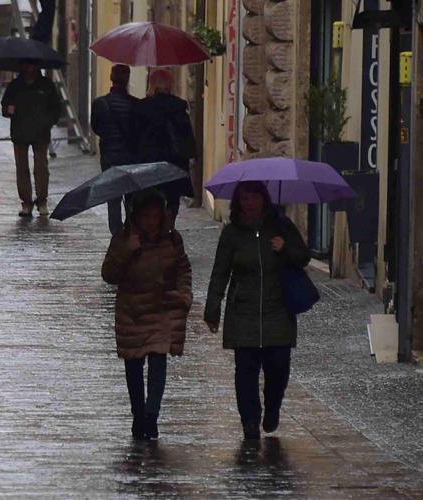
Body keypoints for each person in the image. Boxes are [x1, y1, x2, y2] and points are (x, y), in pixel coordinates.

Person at [203, 181, 310, 440]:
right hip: (243, 311)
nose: (250, 203)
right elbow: (220, 272)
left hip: (278, 310)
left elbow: (303, 257)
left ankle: (272, 408)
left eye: (254, 198)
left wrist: (285, 248)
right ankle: (250, 421)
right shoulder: (231, 234)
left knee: (278, 369)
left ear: (264, 199)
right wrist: (212, 307)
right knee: (245, 371)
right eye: (244, 199)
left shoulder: (282, 226)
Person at [102, 189, 192, 440]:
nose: (151, 221)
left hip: (163, 308)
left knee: (158, 361)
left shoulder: (173, 240)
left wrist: (184, 296)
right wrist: (127, 251)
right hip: (132, 312)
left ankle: (151, 415)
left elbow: (183, 270)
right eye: (146, 216)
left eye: (155, 216)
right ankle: (138, 414)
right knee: (133, 367)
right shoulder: (123, 239)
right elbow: (109, 275)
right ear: (136, 216)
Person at [133, 69, 196, 224]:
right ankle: (168, 228)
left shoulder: (141, 107)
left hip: (148, 163)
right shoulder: (178, 106)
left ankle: (152, 229)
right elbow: (187, 136)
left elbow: (133, 137)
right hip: (173, 162)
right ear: (170, 84)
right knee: (172, 199)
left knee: (149, 200)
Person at [1, 60, 62, 217]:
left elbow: (56, 108)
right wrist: (9, 110)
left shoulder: (46, 85)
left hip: (41, 133)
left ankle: (42, 200)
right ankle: (26, 202)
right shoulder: (15, 86)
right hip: (20, 132)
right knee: (22, 168)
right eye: (25, 66)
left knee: (41, 168)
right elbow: (5, 106)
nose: (28, 69)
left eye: (31, 66)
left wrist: (47, 122)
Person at [91, 64, 138, 235]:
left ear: (111, 77)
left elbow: (96, 128)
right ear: (127, 79)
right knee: (132, 199)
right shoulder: (135, 105)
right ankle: (131, 232)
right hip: (131, 157)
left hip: (109, 156)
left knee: (113, 199)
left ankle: (117, 236)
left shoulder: (99, 104)